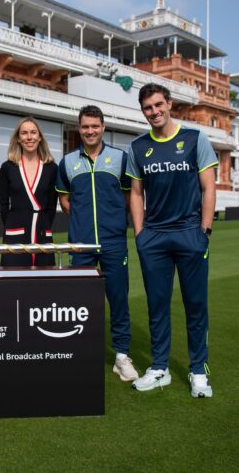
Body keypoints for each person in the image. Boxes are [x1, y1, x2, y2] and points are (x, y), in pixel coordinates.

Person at [127, 83, 218, 397]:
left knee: (195, 306)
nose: (154, 112)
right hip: (154, 238)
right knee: (157, 306)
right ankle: (159, 368)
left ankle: (197, 371)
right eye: (148, 108)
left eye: (158, 105)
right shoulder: (138, 147)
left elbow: (209, 188)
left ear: (169, 104)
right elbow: (136, 193)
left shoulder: (195, 139)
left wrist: (204, 232)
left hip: (190, 235)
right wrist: (140, 234)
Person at [56, 105, 139, 382]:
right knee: (80, 302)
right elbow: (65, 201)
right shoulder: (68, 162)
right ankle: (83, 351)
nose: (90, 131)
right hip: (81, 244)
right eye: (84, 126)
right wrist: (82, 221)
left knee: (118, 299)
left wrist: (112, 219)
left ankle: (121, 355)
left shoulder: (120, 158)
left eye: (94, 126)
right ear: (79, 129)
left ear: (103, 126)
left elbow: (128, 197)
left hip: (113, 241)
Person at [0, 117, 58, 267]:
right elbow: (4, 205)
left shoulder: (51, 167)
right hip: (15, 232)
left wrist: (43, 224)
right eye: (24, 133)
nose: (29, 137)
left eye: (33, 132)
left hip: (42, 232)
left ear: (40, 137)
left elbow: (51, 206)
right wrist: (13, 224)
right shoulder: (8, 167)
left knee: (43, 283)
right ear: (18, 139)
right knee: (14, 282)